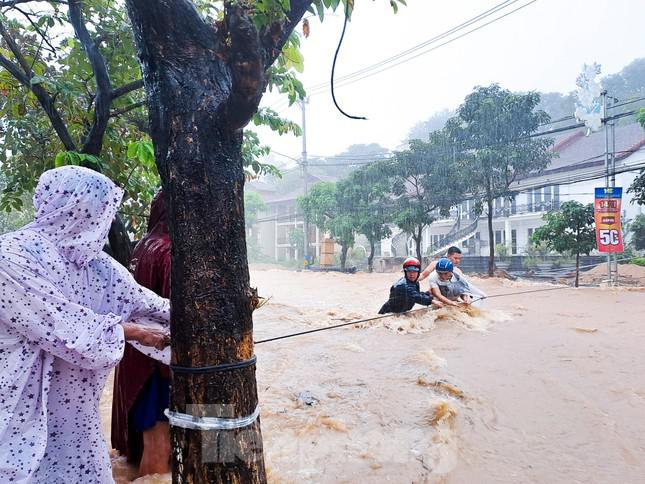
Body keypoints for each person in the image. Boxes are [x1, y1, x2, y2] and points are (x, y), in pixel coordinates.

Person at [0, 166, 171, 482]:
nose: (103, 219)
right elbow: (64, 330)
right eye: (100, 207)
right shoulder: (11, 255)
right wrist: (132, 332)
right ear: (71, 205)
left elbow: (149, 305)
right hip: (17, 409)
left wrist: (211, 320)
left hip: (77, 417)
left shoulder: (97, 265)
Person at [112, 191, 171, 476]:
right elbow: (178, 312)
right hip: (160, 366)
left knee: (150, 439)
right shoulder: (170, 250)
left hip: (135, 358)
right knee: (160, 444)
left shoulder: (141, 246)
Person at [419, 246, 486, 301]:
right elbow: (423, 275)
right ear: (448, 256)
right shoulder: (436, 264)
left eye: (459, 258)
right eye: (455, 258)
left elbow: (465, 287)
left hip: (451, 298)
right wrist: (410, 280)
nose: (457, 261)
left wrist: (479, 294)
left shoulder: (457, 271)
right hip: (436, 296)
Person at [378, 257, 443, 314]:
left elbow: (416, 294)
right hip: (388, 314)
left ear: (418, 272)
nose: (412, 274)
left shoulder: (414, 282)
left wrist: (428, 293)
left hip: (400, 312)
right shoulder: (403, 285)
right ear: (405, 272)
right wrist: (432, 301)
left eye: (414, 272)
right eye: (409, 272)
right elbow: (415, 297)